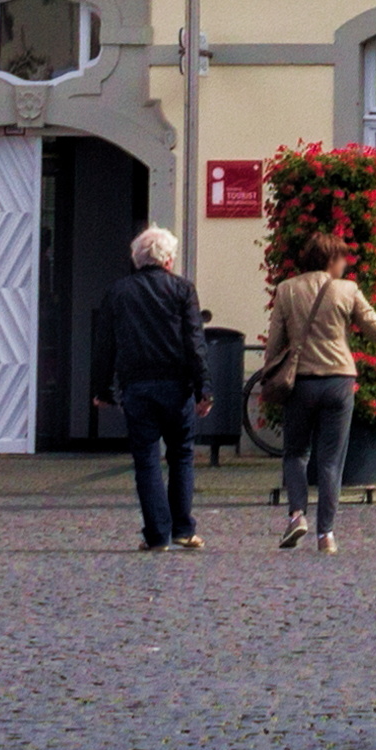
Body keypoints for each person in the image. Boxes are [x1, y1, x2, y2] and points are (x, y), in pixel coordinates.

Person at [255, 249, 376, 553]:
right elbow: (374, 327)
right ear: (330, 260)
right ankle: (325, 534)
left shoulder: (287, 290)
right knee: (331, 461)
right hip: (338, 381)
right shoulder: (347, 289)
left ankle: (297, 515)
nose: (345, 264)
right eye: (342, 259)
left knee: (295, 453)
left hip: (300, 382)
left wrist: (272, 374)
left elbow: (274, 342)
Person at [96, 224, 208, 553]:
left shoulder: (118, 292)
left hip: (138, 387)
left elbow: (105, 344)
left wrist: (104, 389)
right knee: (181, 456)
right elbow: (195, 343)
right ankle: (183, 529)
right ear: (169, 260)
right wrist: (205, 389)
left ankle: (157, 535)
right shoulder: (183, 290)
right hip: (177, 386)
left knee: (146, 460)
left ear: (137, 259)